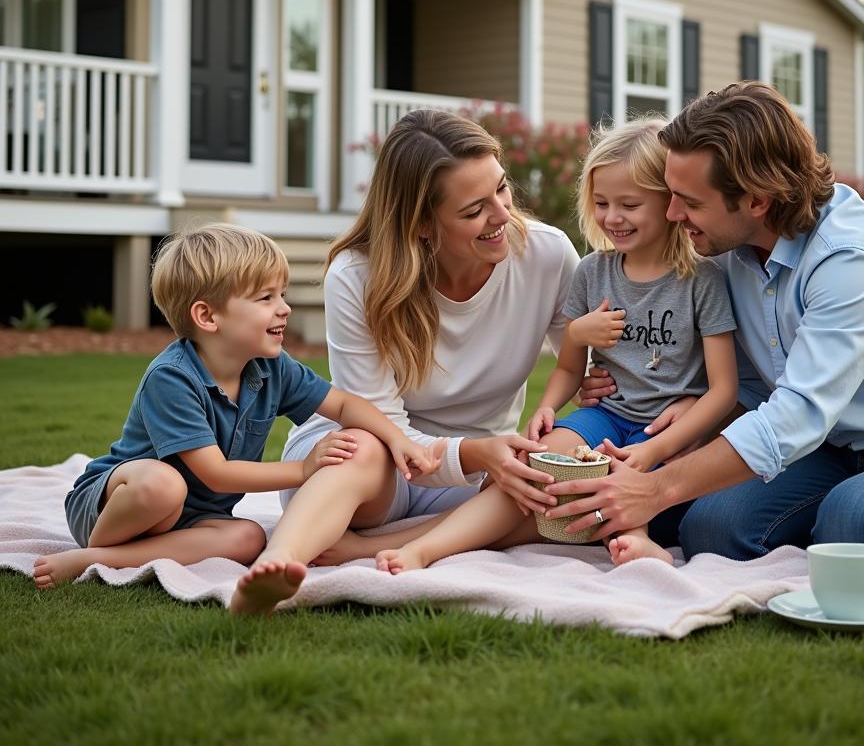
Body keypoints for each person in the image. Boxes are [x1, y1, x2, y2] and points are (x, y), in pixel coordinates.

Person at [549, 82, 864, 565]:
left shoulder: (851, 257)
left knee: (855, 522)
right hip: (837, 446)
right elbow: (751, 382)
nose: (673, 214)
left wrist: (655, 489)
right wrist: (692, 407)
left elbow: (797, 412)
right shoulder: (730, 248)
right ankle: (841, 519)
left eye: (689, 201)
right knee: (711, 526)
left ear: (756, 200)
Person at [232, 109, 579, 612]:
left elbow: (589, 370)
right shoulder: (357, 276)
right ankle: (279, 564)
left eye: (503, 189)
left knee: (555, 492)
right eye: (474, 209)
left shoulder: (547, 255)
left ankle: (359, 550)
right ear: (420, 223)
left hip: (475, 481)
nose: (504, 215)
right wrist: (476, 453)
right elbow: (381, 423)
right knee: (365, 446)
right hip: (373, 472)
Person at [372, 118, 738, 574]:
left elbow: (723, 389)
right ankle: (425, 550)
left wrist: (660, 447)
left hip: (665, 426)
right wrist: (548, 405)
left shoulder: (702, 282)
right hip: (604, 414)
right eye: (602, 203)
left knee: (624, 475)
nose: (612, 217)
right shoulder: (592, 272)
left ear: (670, 203)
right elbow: (569, 368)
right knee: (534, 470)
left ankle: (640, 541)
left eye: (629, 204)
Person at [33, 223, 442, 600]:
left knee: (248, 538)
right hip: (114, 505)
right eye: (266, 298)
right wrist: (304, 470)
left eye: (281, 294)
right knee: (164, 485)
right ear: (207, 316)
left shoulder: (270, 367)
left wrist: (397, 438)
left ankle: (124, 556)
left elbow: (344, 404)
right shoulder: (172, 378)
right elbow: (216, 473)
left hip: (195, 518)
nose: (284, 308)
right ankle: (96, 553)